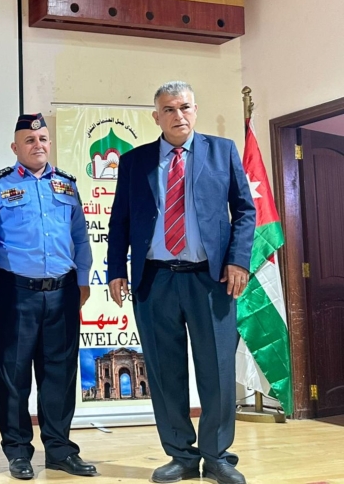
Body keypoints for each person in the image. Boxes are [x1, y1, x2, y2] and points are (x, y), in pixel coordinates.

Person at [107, 81, 255, 484]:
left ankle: (217, 455)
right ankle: (181, 455)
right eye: (169, 110)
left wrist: (238, 260)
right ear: (157, 117)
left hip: (210, 279)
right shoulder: (135, 161)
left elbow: (245, 210)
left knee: (217, 370)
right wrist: (116, 269)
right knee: (163, 372)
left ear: (195, 110)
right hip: (155, 280)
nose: (179, 115)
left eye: (185, 107)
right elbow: (120, 220)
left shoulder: (222, 151)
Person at [0, 113, 97, 479]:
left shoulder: (66, 185)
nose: (38, 145)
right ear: (15, 147)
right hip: (13, 293)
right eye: (30, 140)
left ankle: (60, 449)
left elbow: (80, 237)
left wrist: (82, 279)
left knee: (60, 374)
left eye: (43, 139)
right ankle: (17, 451)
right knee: (14, 376)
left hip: (62, 292)